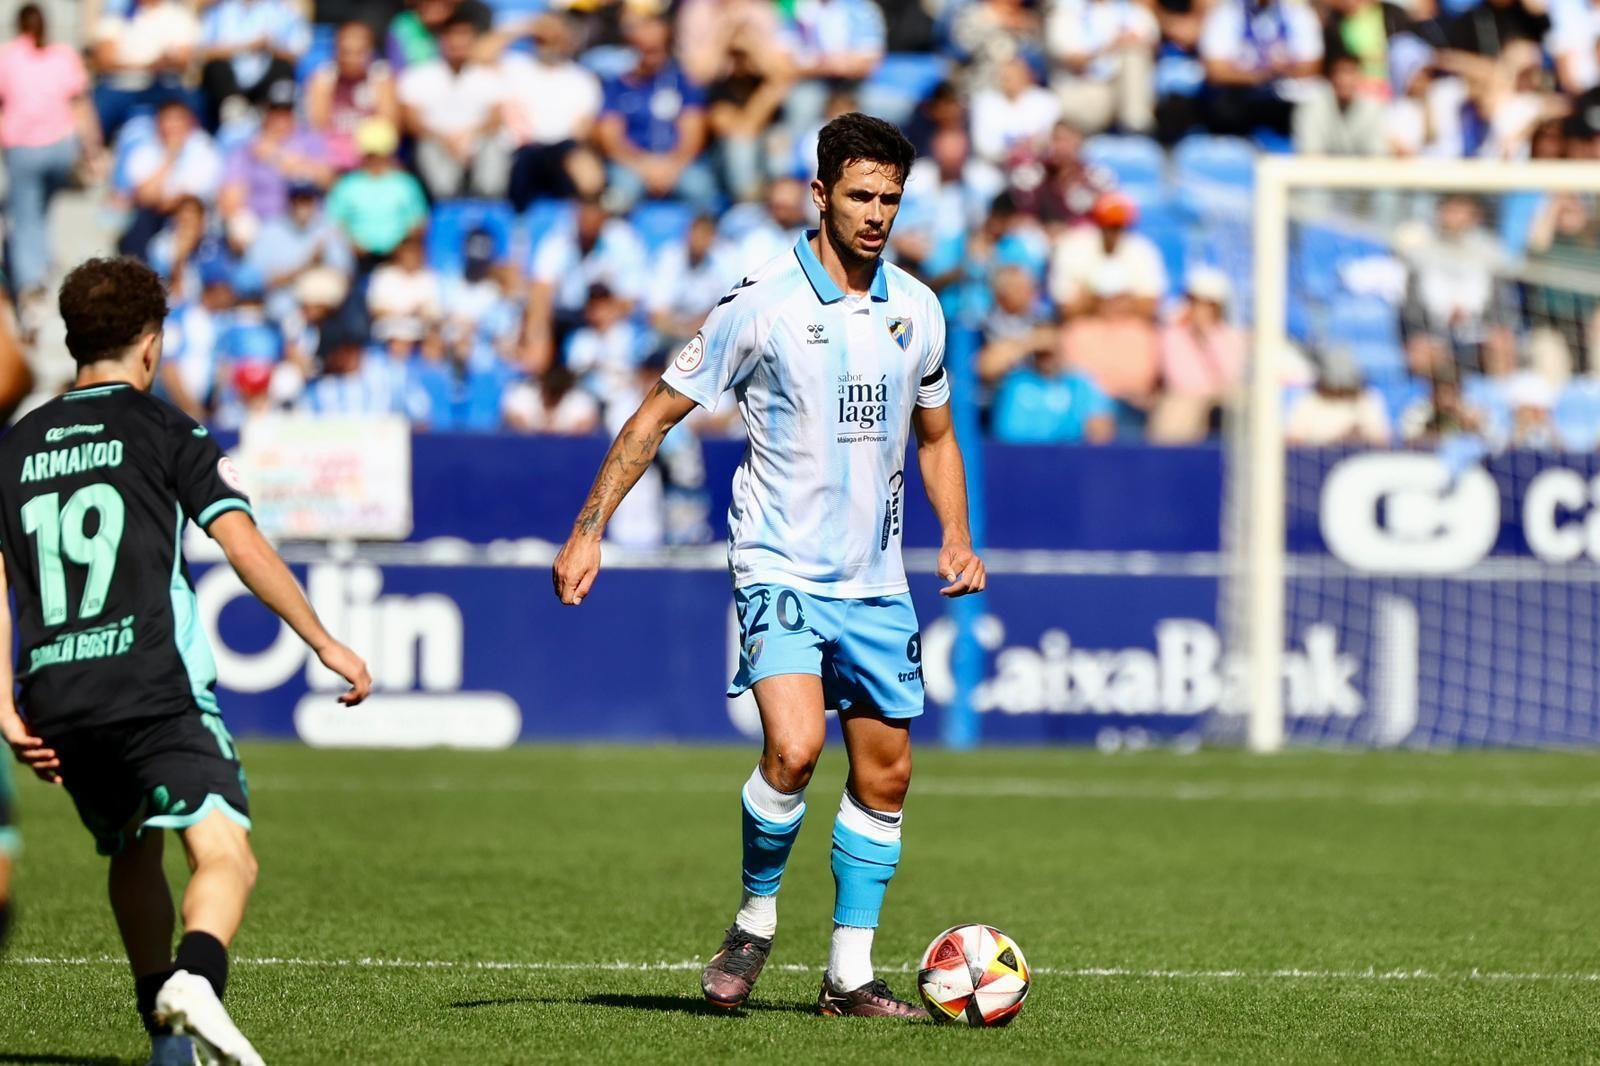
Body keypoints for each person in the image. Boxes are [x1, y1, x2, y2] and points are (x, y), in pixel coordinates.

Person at [552, 113, 985, 1018]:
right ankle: (753, 923)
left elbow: (938, 436)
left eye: (891, 200)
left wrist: (956, 534)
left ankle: (849, 977)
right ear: (820, 195)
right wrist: (589, 527)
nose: (876, 214)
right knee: (793, 748)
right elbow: (652, 419)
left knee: (887, 777)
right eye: (861, 196)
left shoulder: (919, 308)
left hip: (876, 581)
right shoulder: (759, 303)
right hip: (779, 566)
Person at [0, 257, 371, 1065]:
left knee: (132, 847)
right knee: (224, 851)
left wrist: (3, 702)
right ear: (150, 344)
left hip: (57, 695)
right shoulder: (165, 428)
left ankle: (169, 1049)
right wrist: (325, 641)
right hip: (152, 688)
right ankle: (196, 978)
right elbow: (242, 546)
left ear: (72, 342)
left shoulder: (17, 443)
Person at [0, 4, 106, 320]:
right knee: (39, 209)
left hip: (24, 149)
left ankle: (31, 286)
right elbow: (82, 105)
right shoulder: (64, 55)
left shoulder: (8, 56)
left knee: (26, 217)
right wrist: (92, 147)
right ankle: (43, 262)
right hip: (62, 148)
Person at [304, 20, 401, 171]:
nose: (351, 59)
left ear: (370, 51)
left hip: (371, 158)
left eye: (359, 52)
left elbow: (389, 127)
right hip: (332, 160)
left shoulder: (381, 77)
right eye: (346, 52)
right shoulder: (323, 78)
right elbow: (318, 127)